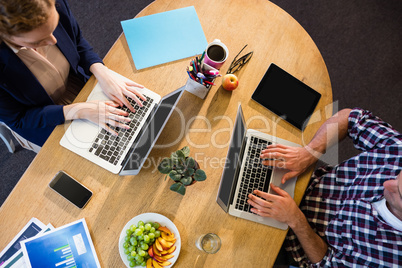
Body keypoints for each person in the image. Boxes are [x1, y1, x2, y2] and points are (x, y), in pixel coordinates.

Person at [247, 108, 402, 267]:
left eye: (399, 194)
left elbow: (328, 263)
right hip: (300, 181)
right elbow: (351, 118)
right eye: (398, 177)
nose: (387, 183)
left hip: (289, 243)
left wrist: (296, 220)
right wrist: (308, 154)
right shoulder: (399, 154)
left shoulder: (392, 259)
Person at [0, 0, 145, 152]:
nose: (53, 41)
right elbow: (19, 119)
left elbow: (76, 41)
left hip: (74, 82)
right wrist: (79, 110)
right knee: (105, 156)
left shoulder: (54, 5)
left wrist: (101, 71)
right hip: (41, 119)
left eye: (53, 27)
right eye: (38, 41)